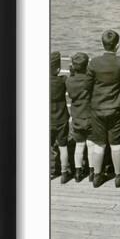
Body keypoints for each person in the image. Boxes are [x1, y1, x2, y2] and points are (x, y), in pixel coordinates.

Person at [84, 30, 120, 188]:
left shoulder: (94, 63)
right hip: (115, 108)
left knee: (99, 144)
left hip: (97, 109)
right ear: (117, 45)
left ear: (102, 43)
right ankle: (119, 176)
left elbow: (87, 86)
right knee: (116, 143)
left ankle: (97, 176)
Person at [66, 52, 95, 182]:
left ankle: (78, 172)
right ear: (87, 65)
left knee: (79, 145)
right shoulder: (89, 80)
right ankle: (92, 171)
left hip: (77, 116)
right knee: (91, 145)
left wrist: (72, 72)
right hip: (89, 116)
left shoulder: (69, 80)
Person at [50, 51, 71, 183]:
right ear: (58, 69)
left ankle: (51, 171)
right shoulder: (63, 80)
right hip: (62, 118)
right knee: (63, 146)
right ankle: (64, 172)